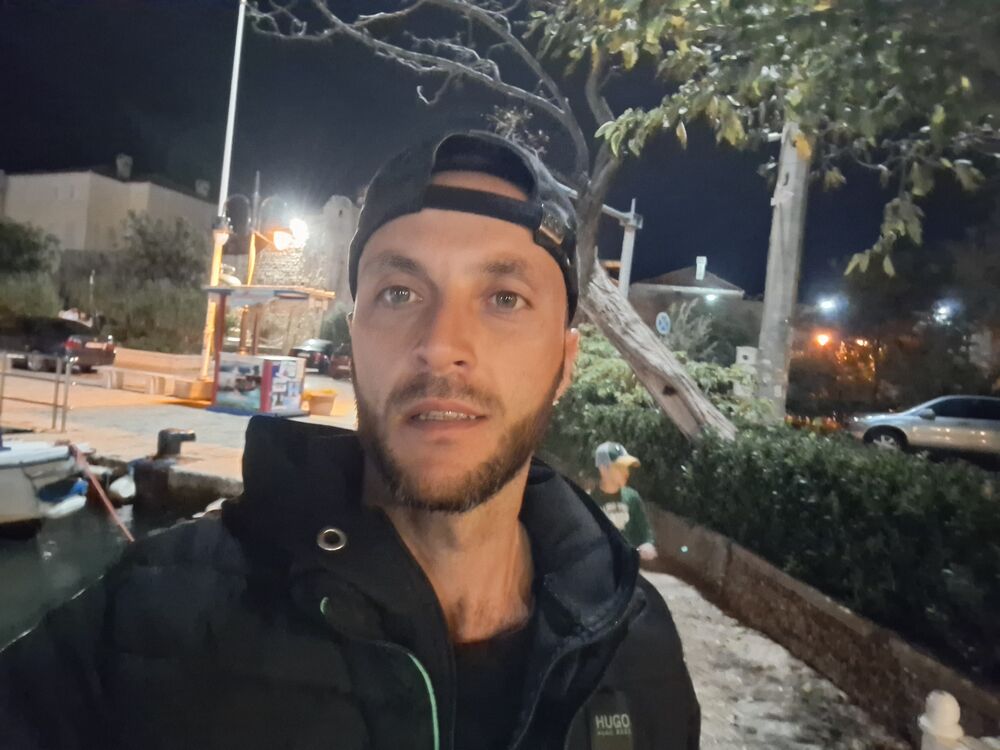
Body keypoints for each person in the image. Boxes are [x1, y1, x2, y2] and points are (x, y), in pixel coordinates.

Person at [0, 132, 699, 750]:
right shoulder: (153, 621)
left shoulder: (638, 654)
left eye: (504, 299)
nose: (441, 346)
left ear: (565, 363)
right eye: (399, 293)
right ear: (355, 333)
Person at [593, 442, 658, 562]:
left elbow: (645, 531)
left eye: (627, 467)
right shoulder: (589, 502)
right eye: (620, 467)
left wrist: (648, 544)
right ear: (603, 469)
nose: (626, 472)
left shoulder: (632, 497)